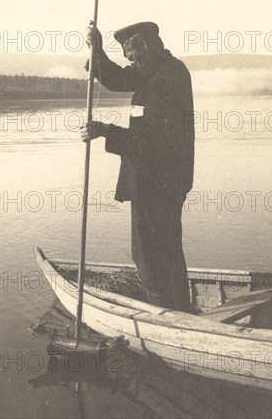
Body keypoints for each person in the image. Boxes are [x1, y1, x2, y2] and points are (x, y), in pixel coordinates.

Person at [81, 21, 194, 312]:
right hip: (152, 179)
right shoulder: (155, 70)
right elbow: (119, 79)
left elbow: (151, 141)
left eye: (132, 57)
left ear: (146, 47)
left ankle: (166, 315)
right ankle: (175, 309)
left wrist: (105, 130)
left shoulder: (168, 79)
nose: (130, 63)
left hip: (159, 181)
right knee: (160, 252)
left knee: (151, 254)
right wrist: (98, 50)